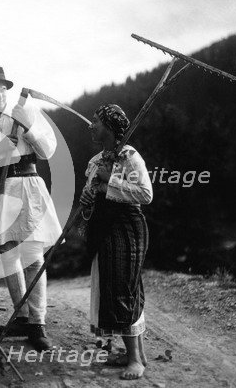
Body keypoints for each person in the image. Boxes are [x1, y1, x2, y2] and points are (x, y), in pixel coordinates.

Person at [0, 66, 63, 351]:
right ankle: (20, 316)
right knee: (9, 256)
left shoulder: (26, 113)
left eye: (3, 88)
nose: (0, 93)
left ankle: (37, 322)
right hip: (0, 190)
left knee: (33, 255)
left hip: (29, 186)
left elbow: (47, 152)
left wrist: (29, 129)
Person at [79, 104, 152, 380]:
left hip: (127, 228)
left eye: (95, 121)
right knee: (109, 288)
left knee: (124, 289)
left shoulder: (130, 157)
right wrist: (88, 198)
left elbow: (145, 194)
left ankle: (136, 360)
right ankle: (134, 353)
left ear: (109, 127)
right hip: (103, 228)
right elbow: (92, 194)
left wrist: (110, 179)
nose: (91, 125)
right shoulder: (97, 159)